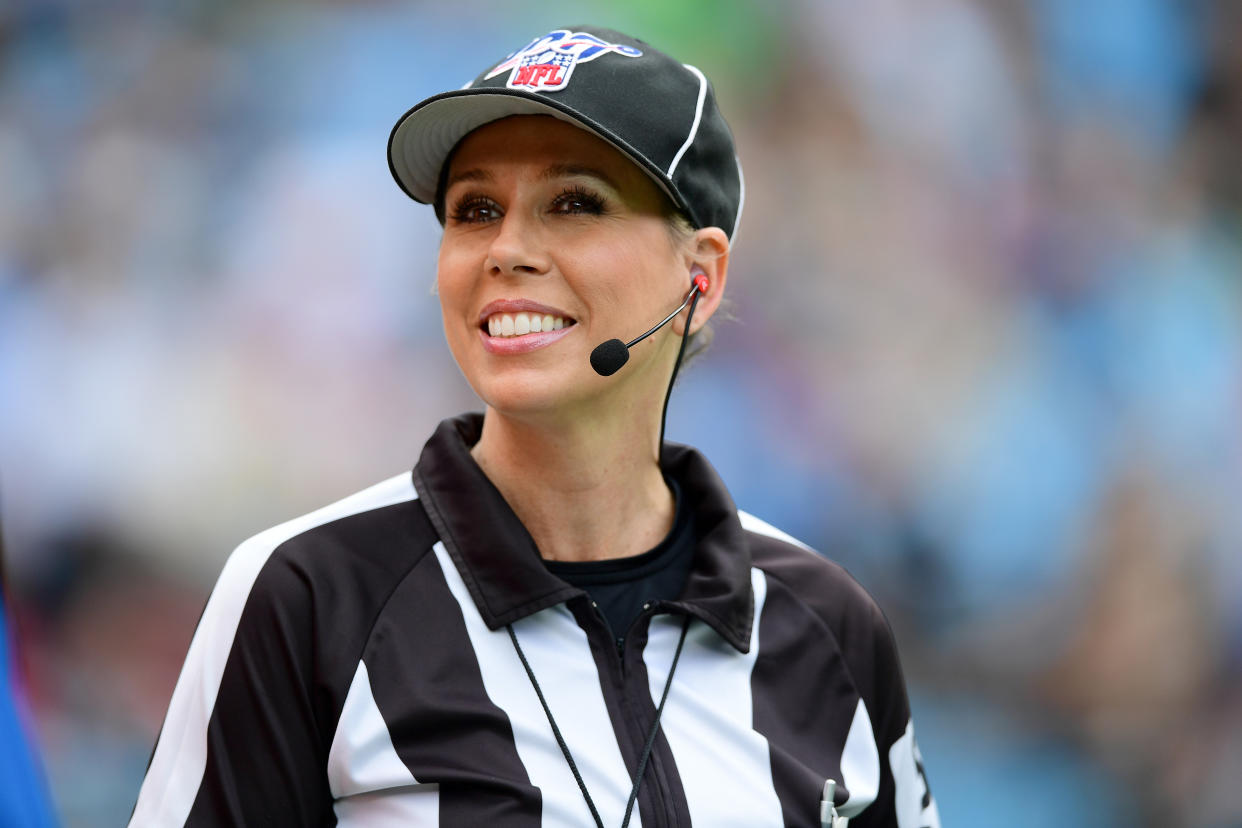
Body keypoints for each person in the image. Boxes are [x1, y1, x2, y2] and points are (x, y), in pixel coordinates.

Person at [130, 25, 940, 828]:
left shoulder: (829, 625)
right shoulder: (306, 596)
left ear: (701, 276)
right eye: (475, 209)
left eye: (575, 203)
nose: (507, 249)